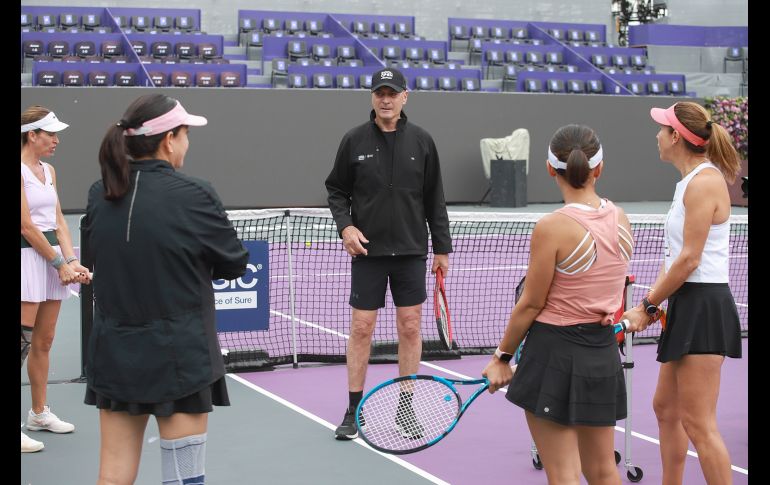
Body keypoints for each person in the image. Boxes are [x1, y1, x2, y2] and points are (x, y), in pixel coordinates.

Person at [82, 94, 249, 484]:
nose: (187, 143)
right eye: (186, 134)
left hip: (114, 355)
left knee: (112, 475)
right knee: (184, 479)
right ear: (170, 139)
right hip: (181, 359)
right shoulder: (196, 194)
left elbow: (94, 254)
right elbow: (234, 263)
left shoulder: (98, 193)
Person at [484, 124, 634, 484]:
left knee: (563, 475)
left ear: (550, 168)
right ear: (599, 168)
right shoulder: (622, 218)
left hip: (553, 355)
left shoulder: (552, 227)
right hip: (601, 355)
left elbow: (531, 304)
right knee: (603, 471)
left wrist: (502, 357)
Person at [325, 67, 453, 440]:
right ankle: (353, 409)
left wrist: (441, 248)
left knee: (410, 327)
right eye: (380, 92)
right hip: (368, 252)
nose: (385, 99)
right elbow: (335, 190)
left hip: (412, 251)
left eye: (392, 93)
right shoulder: (353, 140)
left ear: (404, 97)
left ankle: (406, 407)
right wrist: (346, 227)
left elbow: (435, 199)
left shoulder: (423, 142)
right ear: (372, 97)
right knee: (362, 328)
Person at [621, 101, 742, 484]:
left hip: (705, 306)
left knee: (698, 422)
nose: (656, 136)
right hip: (685, 302)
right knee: (666, 409)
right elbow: (674, 255)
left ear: (676, 137)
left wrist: (646, 304)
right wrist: (653, 304)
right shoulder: (688, 183)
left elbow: (690, 260)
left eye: (661, 129)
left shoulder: (706, 182)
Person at [21, 106, 92, 453]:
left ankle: (38, 413)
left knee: (44, 341)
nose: (56, 140)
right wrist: (58, 263)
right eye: (50, 134)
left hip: (50, 262)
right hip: (25, 260)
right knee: (21, 342)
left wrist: (73, 262)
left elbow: (59, 221)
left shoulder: (48, 170)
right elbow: (25, 226)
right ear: (32, 135)